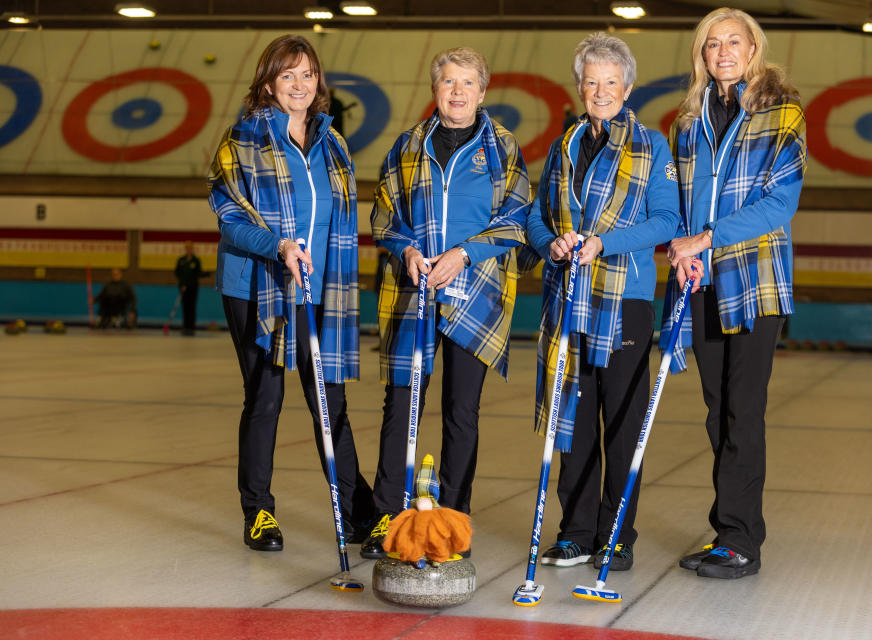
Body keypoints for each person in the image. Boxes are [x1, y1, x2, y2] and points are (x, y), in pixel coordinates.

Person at [362, 46, 534, 559]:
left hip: (476, 295)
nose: (456, 92)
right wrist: (406, 248)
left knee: (462, 411)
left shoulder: (502, 147)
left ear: (482, 92)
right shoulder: (407, 146)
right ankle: (386, 518)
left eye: (467, 84)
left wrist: (465, 253)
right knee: (401, 407)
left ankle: (453, 523)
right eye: (447, 83)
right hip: (413, 292)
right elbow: (383, 215)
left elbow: (517, 217)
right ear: (435, 90)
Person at [208, 34, 375, 552]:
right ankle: (258, 511)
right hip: (256, 286)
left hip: (320, 288)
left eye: (307, 74)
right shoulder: (241, 140)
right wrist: (277, 245)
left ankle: (359, 514)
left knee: (331, 400)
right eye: (287, 76)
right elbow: (230, 216)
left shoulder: (333, 142)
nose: (299, 85)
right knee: (266, 396)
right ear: (268, 83)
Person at [527, 32, 681, 572]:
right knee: (572, 417)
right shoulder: (564, 143)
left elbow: (668, 221)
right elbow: (535, 215)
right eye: (591, 81)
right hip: (569, 298)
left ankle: (617, 533)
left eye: (610, 81)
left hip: (625, 302)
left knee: (619, 421)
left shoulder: (652, 145)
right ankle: (577, 530)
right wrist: (552, 242)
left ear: (628, 86)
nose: (600, 90)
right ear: (579, 86)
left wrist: (602, 243)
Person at [662, 7, 807, 579]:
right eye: (711, 44)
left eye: (733, 42)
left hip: (755, 282)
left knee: (743, 413)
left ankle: (742, 541)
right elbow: (680, 202)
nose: (722, 52)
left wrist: (707, 237)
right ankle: (728, 528)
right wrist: (681, 247)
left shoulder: (784, 114)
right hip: (700, 282)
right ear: (701, 56)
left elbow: (779, 203)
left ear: (753, 49)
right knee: (717, 412)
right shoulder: (688, 120)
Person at [174, 240, 203, 335]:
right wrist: (182, 284)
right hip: (183, 288)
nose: (188, 249)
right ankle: (185, 326)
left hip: (193, 288)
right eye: (187, 248)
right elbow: (177, 273)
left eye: (190, 247)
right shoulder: (181, 260)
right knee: (185, 307)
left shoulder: (196, 260)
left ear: (192, 249)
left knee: (192, 307)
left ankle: (191, 327)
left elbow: (198, 273)